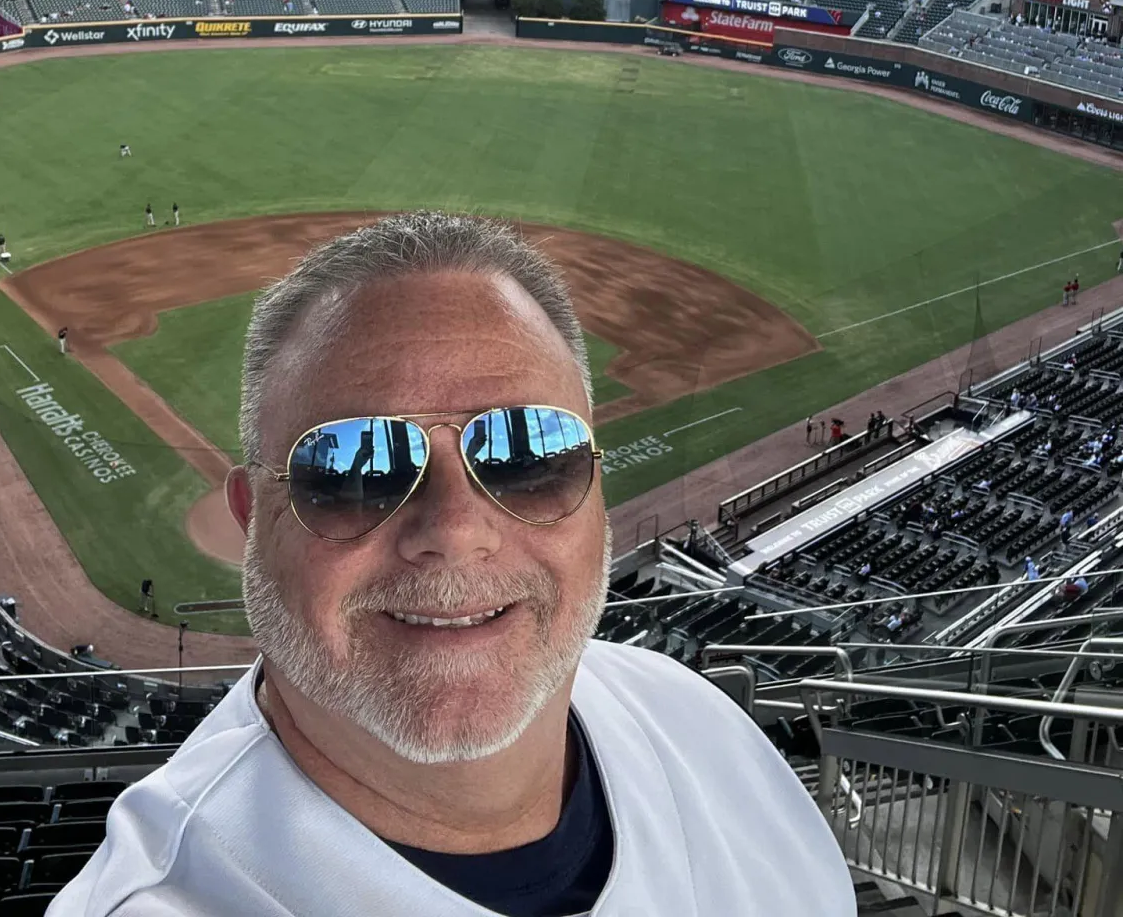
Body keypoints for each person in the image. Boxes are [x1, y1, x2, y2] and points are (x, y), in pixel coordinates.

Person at [52, 213, 855, 917]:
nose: (455, 531)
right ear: (253, 518)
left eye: (527, 455)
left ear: (599, 490)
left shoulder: (698, 720)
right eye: (350, 469)